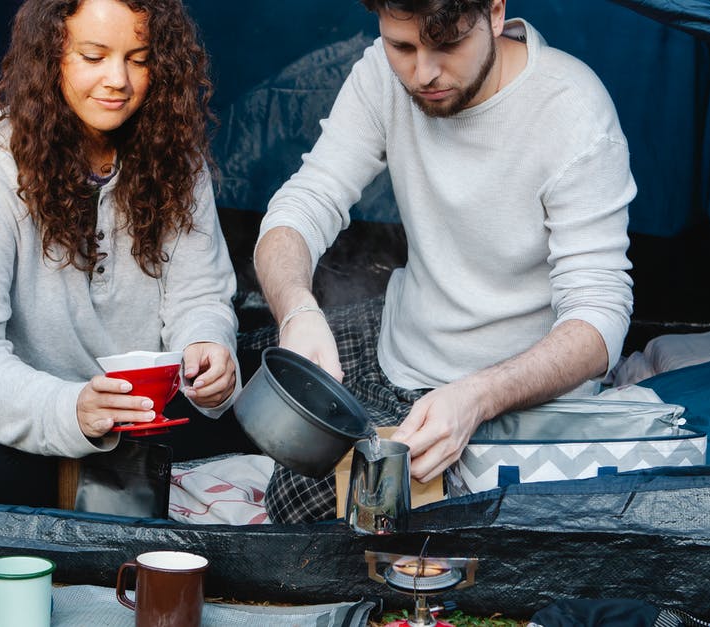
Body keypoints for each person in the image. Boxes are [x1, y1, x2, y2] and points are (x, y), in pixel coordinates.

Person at [254, 0, 636, 522]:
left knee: (330, 509)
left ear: (495, 13)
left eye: (448, 45)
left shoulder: (572, 109)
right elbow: (303, 204)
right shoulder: (381, 77)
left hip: (516, 392)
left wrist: (477, 396)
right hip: (404, 348)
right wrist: (297, 310)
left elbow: (600, 316)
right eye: (402, 47)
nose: (424, 73)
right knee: (248, 382)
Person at [0, 0, 252, 508]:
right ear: (50, 55)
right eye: (94, 56)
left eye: (138, 59)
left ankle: (114, 472)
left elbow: (201, 294)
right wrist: (70, 409)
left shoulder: (177, 158)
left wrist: (207, 346)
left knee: (260, 408)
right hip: (38, 407)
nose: (117, 80)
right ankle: (109, 473)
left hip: (150, 409)